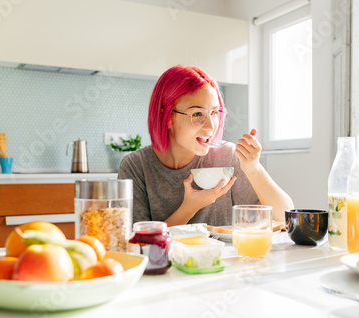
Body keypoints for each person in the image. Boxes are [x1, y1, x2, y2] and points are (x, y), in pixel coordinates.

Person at [118, 64, 294, 226]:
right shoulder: (136, 166)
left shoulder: (228, 156)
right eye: (197, 114)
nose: (211, 126)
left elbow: (285, 218)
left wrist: (254, 169)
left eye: (215, 113)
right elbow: (137, 244)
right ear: (167, 117)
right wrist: (189, 207)